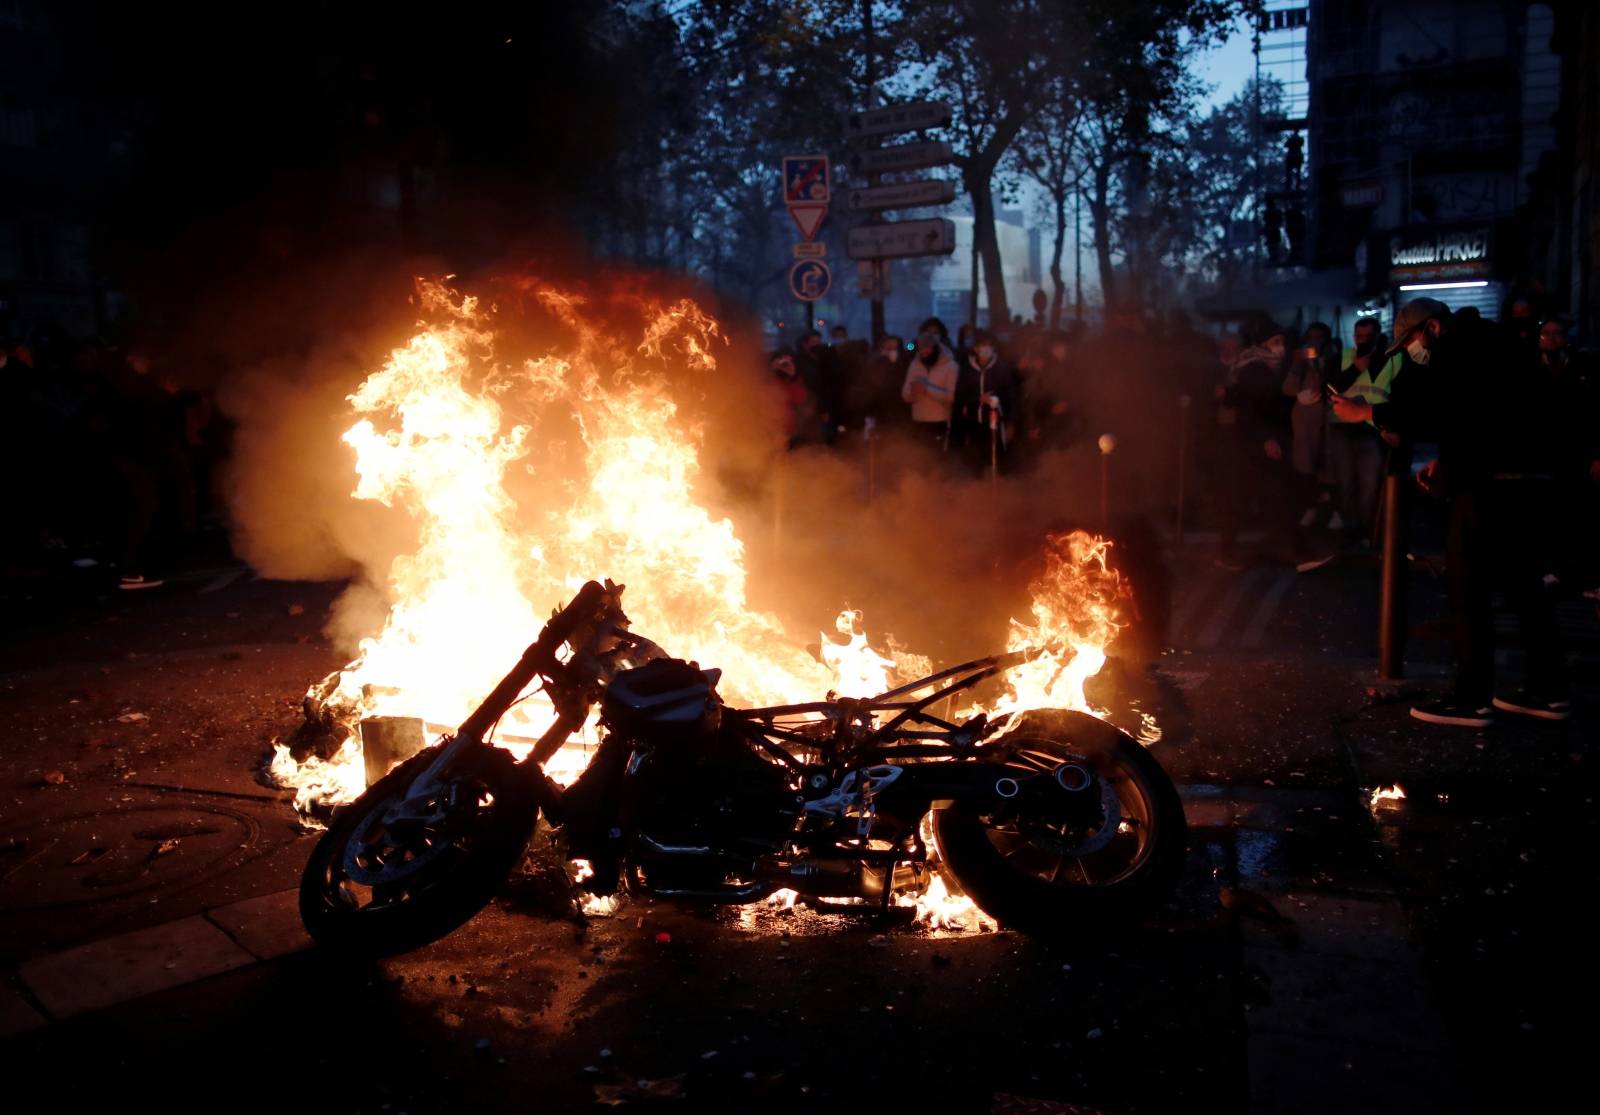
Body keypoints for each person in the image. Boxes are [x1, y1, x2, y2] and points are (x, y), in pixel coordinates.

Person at [1333, 297, 1569, 726]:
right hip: (1524, 479)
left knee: (1469, 589)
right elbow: (1479, 420)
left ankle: (1471, 697)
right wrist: (1451, 460)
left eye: (1411, 343)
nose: (1411, 352)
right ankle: (1548, 691)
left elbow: (1436, 410)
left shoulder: (1459, 350)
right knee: (1523, 587)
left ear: (1432, 328)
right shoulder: (1491, 343)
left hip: (1488, 489)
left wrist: (1367, 412)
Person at [1214, 323, 1296, 568]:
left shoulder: (1266, 367)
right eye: (1275, 342)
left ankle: (1290, 547)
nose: (1280, 347)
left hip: (1255, 443)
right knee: (1250, 497)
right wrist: (1266, 438)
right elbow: (1250, 409)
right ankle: (1293, 549)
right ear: (1262, 344)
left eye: (1282, 341)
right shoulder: (1256, 369)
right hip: (1251, 445)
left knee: (1266, 496)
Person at [1325, 316, 1398, 542]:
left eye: (1368, 337)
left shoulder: (1391, 361)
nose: (1363, 341)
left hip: (1372, 434)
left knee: (1369, 487)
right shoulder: (1343, 358)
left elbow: (1396, 396)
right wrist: (1356, 369)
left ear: (1378, 336)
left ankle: (1368, 533)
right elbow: (1329, 387)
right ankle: (1350, 531)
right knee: (1345, 484)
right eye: (1359, 336)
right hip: (1343, 431)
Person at [1281, 322, 1335, 539]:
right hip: (1304, 426)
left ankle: (1330, 512)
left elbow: (1332, 387)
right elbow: (1287, 389)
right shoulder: (1298, 364)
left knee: (1327, 470)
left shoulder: (1331, 362)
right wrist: (1298, 363)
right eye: (1311, 337)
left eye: (1319, 337)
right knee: (1306, 468)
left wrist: (1318, 368)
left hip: (1327, 424)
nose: (1314, 342)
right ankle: (1310, 509)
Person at [951, 329, 1017, 475]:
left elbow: (1009, 398)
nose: (986, 349)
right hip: (973, 423)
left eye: (989, 345)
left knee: (996, 461)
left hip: (995, 423)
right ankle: (977, 491)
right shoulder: (967, 369)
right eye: (982, 345)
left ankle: (996, 491)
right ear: (975, 348)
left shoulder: (1001, 369)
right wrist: (977, 398)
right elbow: (960, 396)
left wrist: (1010, 423)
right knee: (975, 462)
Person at [901, 329, 958, 447]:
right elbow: (905, 394)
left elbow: (951, 397)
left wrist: (927, 389)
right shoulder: (915, 364)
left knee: (936, 460)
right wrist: (912, 394)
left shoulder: (950, 366)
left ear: (935, 348)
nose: (924, 354)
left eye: (927, 350)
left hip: (939, 422)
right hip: (918, 421)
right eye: (921, 351)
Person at [793, 329, 841, 445]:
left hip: (824, 404)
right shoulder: (799, 361)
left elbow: (828, 381)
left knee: (826, 438)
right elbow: (810, 384)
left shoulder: (822, 359)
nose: (817, 344)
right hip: (808, 406)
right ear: (805, 344)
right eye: (814, 342)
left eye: (819, 341)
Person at [769, 348, 816, 449]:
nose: (783, 364)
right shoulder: (765, 378)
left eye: (787, 361)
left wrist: (792, 376)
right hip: (768, 427)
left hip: (787, 427)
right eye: (779, 359)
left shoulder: (794, 380)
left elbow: (800, 399)